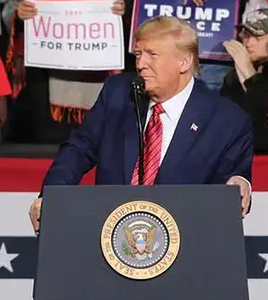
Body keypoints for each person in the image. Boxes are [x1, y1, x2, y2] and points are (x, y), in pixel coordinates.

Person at [30, 16, 254, 232]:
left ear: (184, 62)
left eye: (152, 54)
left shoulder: (227, 120)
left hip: (184, 243)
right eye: (138, 54)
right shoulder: (118, 92)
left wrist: (238, 183)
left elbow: (232, 183)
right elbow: (79, 149)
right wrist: (52, 198)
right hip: (111, 235)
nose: (140, 64)